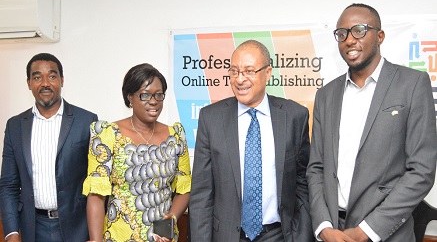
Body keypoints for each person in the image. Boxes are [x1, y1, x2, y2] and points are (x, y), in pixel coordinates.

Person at [306, 3, 437, 242]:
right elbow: (316, 168)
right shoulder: (325, 95)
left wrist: (368, 229)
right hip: (334, 232)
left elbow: (422, 171)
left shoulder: (412, 84)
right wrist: (323, 226)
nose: (349, 40)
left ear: (380, 36)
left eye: (359, 30)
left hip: (386, 233)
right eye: (342, 34)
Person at [189, 39, 313, 242]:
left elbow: (303, 181)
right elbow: (202, 193)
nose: (239, 79)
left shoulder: (294, 116)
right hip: (227, 236)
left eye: (248, 71)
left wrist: (302, 234)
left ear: (268, 72)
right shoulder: (211, 118)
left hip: (279, 234)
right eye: (234, 71)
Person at [83, 63, 191, 242]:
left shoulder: (176, 136)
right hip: (119, 236)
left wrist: (170, 220)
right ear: (130, 98)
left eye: (159, 95)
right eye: (145, 95)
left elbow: (184, 188)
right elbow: (96, 194)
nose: (153, 101)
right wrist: (95, 240)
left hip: (161, 236)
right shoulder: (107, 134)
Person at [0, 53, 98, 242]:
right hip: (33, 229)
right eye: (37, 77)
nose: (45, 83)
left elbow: (98, 182)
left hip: (77, 228)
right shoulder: (14, 126)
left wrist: (94, 235)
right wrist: (11, 232)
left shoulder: (87, 121)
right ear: (29, 83)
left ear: (62, 80)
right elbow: (8, 185)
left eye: (52, 76)